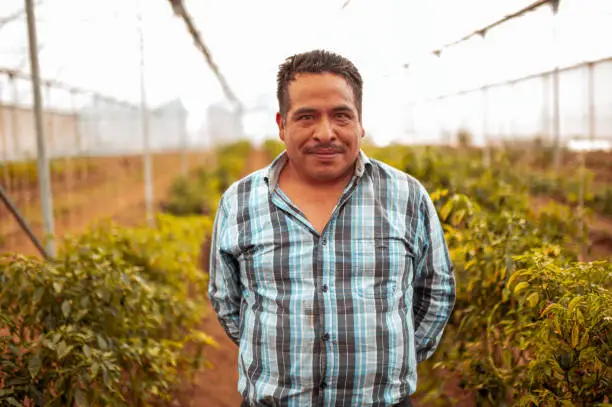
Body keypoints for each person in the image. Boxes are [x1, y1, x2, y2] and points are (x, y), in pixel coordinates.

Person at [208, 49, 456, 406]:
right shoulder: (240, 201)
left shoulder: (406, 197)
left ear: (360, 123)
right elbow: (227, 300)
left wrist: (393, 359)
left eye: (341, 116)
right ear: (281, 125)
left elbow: (436, 289)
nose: (325, 133)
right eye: (306, 117)